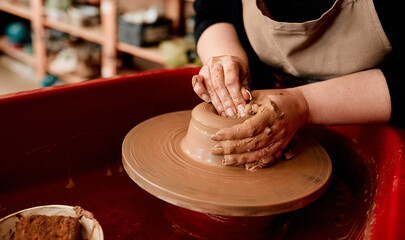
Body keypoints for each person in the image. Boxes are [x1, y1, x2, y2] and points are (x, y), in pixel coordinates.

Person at [191, 0, 404, 168]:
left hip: (371, 133)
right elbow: (213, 11)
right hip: (264, 127)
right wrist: (225, 61)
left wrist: (304, 103)